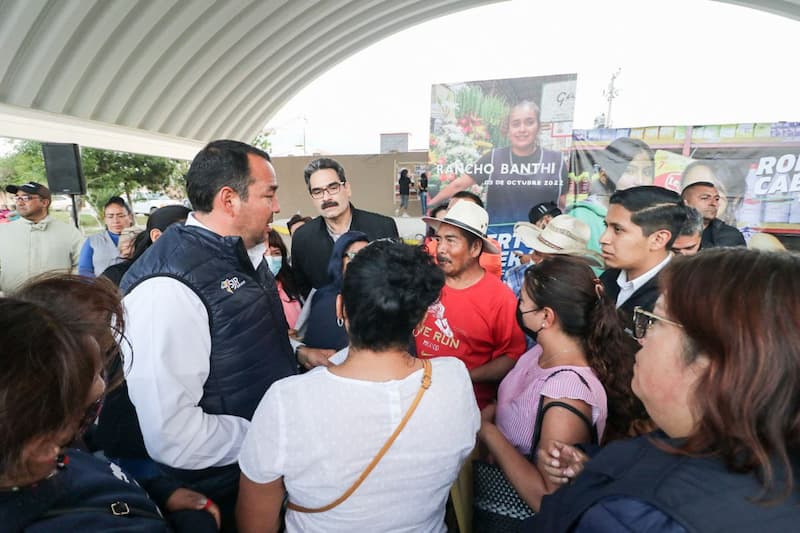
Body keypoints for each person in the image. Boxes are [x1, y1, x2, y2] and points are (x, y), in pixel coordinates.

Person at [120, 140, 320, 531]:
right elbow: (175, 435)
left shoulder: (242, 253)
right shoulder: (167, 290)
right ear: (229, 200)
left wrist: (300, 352)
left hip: (257, 471)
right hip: (222, 491)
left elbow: (235, 337)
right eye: (269, 194)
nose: (276, 207)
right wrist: (272, 435)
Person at [533, 248, 800, 532]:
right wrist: (596, 471)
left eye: (655, 320)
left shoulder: (637, 518)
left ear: (711, 360)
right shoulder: (760, 453)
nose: (641, 338)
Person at [237, 241, 480, 532]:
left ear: (341, 307)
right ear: (421, 318)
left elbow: (255, 524)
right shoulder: (453, 380)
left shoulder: (287, 401)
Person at [3, 275, 220, 532]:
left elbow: (95, 473)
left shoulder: (46, 451)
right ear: (43, 446)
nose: (102, 385)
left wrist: (159, 491)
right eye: (93, 374)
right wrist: (198, 522)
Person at [478, 256, 640, 514]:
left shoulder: (567, 393)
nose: (518, 307)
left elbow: (548, 498)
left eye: (523, 301)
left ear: (546, 316)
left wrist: (489, 433)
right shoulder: (539, 353)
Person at [415, 200, 526, 408]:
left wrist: (465, 376)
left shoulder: (500, 298)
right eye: (439, 239)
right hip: (419, 399)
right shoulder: (427, 282)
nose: (441, 249)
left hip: (467, 407)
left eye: (451, 240)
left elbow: (510, 357)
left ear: (475, 248)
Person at [428, 100, 569, 225]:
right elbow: (458, 185)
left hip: (541, 243)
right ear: (507, 130)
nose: (522, 129)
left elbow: (563, 203)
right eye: (515, 124)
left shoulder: (556, 161)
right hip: (499, 239)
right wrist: (430, 206)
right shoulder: (494, 158)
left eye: (529, 122)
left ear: (538, 127)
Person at [291, 157, 398, 297]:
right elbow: (304, 289)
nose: (326, 197)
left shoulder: (382, 227)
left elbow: (397, 278)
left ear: (347, 188)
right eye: (317, 192)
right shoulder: (302, 238)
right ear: (312, 197)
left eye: (333, 188)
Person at [599, 186, 684, 334]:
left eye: (618, 230)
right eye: (606, 226)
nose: (603, 239)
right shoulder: (607, 279)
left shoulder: (679, 297)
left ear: (658, 239)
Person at [0, 181, 83, 294]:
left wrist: (66, 288)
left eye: (26, 198)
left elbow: (81, 265)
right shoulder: (3, 232)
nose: (20, 202)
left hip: (56, 303)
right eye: (17, 198)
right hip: (12, 304)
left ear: (44, 202)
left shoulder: (69, 232)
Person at [300, 231, 369, 354]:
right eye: (355, 256)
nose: (365, 262)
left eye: (370, 255)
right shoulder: (323, 298)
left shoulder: (384, 297)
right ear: (339, 260)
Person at [504, 214, 604, 298]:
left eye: (549, 258)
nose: (536, 260)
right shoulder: (516, 277)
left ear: (570, 263)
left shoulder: (584, 289)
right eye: (537, 253)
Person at [101, 204, 191, 286]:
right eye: (189, 235)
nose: (199, 240)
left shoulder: (195, 269)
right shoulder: (117, 276)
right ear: (157, 236)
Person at [79, 196, 134, 277]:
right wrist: (99, 285)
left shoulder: (141, 239)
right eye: (110, 216)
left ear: (130, 217)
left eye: (121, 216)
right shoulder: (93, 241)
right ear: (105, 219)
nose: (116, 221)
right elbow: (84, 269)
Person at [681, 180, 746, 248]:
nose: (713, 203)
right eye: (705, 198)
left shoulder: (730, 235)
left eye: (717, 199)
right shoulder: (672, 230)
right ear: (685, 202)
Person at [265, 230, 303, 331]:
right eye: (264, 253)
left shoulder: (292, 282)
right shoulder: (249, 292)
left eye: (276, 253)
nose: (271, 258)